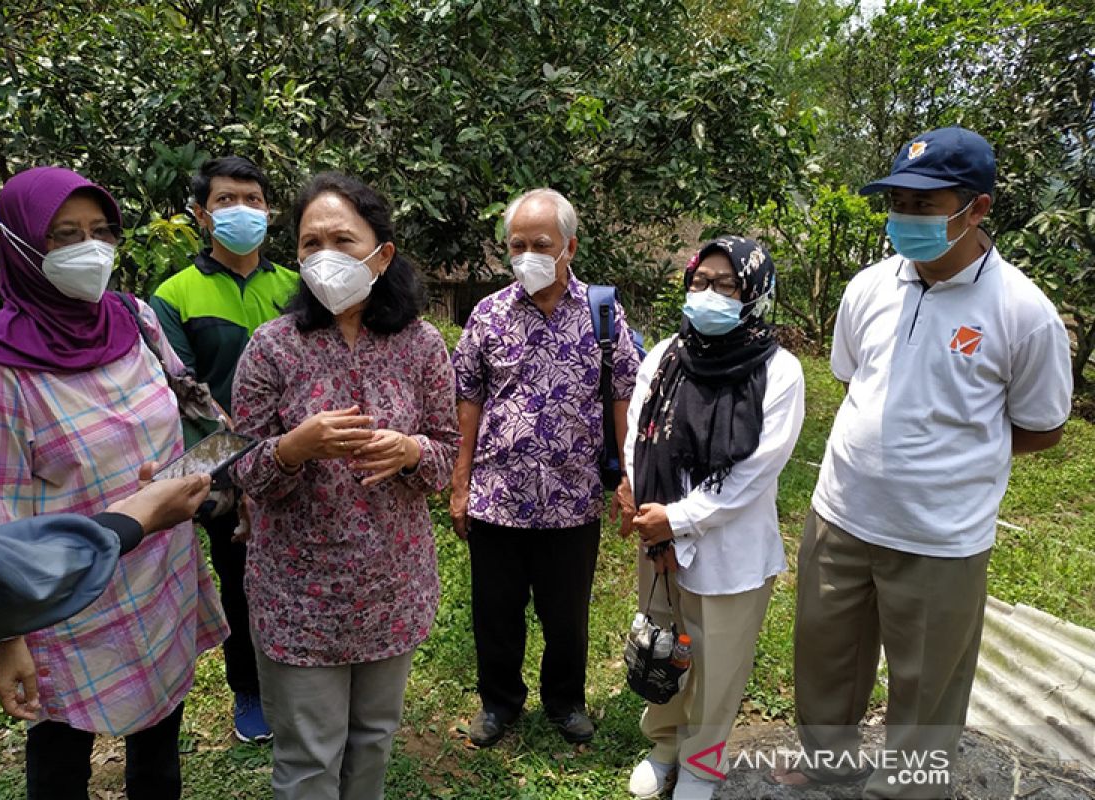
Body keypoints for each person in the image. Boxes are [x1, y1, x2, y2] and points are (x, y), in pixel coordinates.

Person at [775, 127, 1073, 798]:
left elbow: (1041, 429)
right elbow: (855, 383)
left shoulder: (1022, 313)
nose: (905, 218)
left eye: (924, 204)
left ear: (978, 209)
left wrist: (950, 463)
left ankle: (910, 790)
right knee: (826, 659)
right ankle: (830, 763)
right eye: (897, 202)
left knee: (928, 685)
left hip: (940, 538)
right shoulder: (869, 287)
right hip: (842, 515)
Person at [0, 166, 229, 800]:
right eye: (64, 235)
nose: (90, 248)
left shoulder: (132, 318)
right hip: (65, 597)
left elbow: (197, 411)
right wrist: (9, 638)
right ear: (22, 244)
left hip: (160, 575)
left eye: (101, 231)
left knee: (159, 755)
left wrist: (210, 476)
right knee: (60, 763)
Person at [231, 172, 459, 800]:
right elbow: (242, 469)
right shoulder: (272, 348)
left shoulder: (421, 347)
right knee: (308, 757)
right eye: (310, 244)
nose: (325, 256)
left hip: (392, 586)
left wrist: (413, 451)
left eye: (342, 240)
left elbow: (445, 459)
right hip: (297, 597)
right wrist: (290, 449)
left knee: (372, 740)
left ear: (381, 256)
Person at [0, 444, 214, 799]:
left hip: (149, 598)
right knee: (59, 754)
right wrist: (126, 522)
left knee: (159, 747)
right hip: (64, 620)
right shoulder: (5, 386)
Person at [613, 238, 805, 800]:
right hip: (658, 536)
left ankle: (702, 762)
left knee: (719, 665)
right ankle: (666, 743)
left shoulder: (780, 371)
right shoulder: (666, 355)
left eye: (725, 285)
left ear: (754, 295)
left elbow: (758, 469)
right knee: (664, 644)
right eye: (700, 282)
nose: (708, 294)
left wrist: (681, 519)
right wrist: (653, 514)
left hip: (730, 548)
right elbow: (638, 437)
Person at [450, 188, 642, 747]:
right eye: (517, 244)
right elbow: (468, 401)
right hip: (497, 497)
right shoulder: (488, 315)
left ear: (569, 247)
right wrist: (461, 484)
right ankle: (499, 703)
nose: (527, 253)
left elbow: (623, 398)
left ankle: (565, 701)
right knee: (495, 612)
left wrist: (627, 475)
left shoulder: (604, 315)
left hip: (573, 496)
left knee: (566, 617)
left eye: (541, 243)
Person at [150, 155, 299, 743]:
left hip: (294, 456)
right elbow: (184, 393)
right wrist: (238, 466)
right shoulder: (174, 295)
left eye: (253, 201)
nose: (242, 211)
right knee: (238, 579)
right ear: (200, 215)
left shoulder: (295, 285)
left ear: (269, 212)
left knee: (295, 573)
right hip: (219, 467)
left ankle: (297, 680)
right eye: (226, 201)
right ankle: (250, 690)